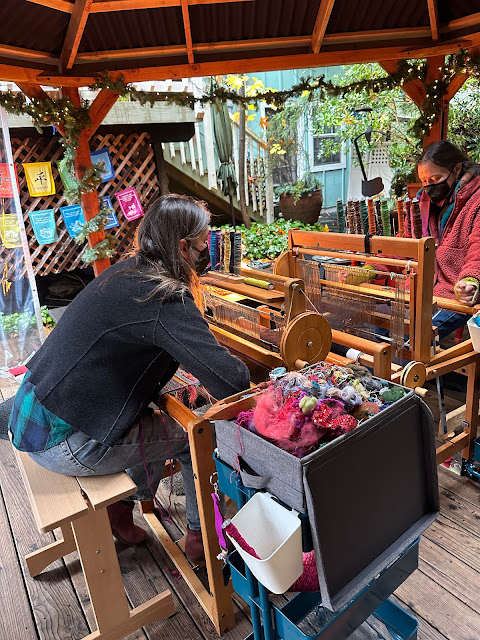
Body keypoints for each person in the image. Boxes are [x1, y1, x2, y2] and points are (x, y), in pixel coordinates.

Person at [8, 194, 250, 560]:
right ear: (181, 247)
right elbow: (232, 383)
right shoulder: (164, 297)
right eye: (203, 247)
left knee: (147, 419)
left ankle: (120, 512)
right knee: (195, 436)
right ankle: (200, 537)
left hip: (32, 420)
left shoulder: (126, 272)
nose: (204, 255)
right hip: (63, 443)